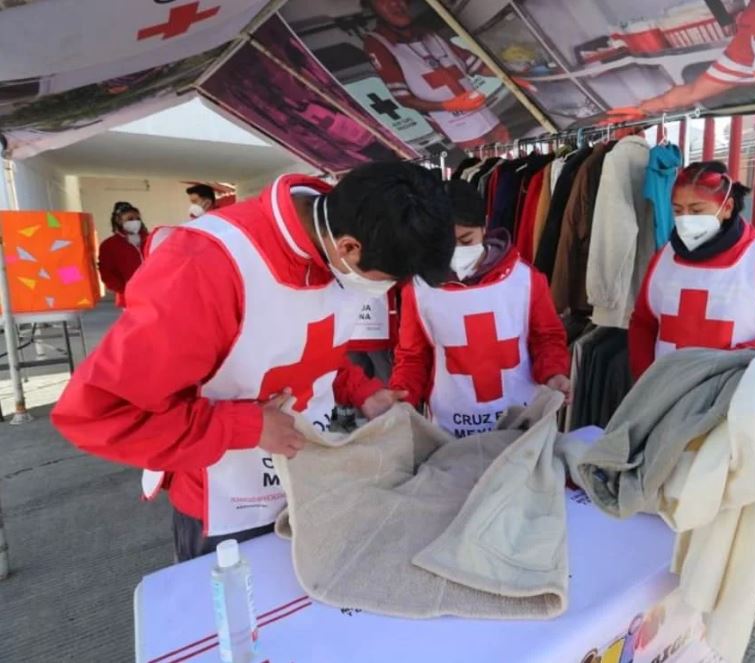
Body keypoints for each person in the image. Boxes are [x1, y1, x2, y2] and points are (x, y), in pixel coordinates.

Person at [53, 164, 455, 561]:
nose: (388, 290)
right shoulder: (203, 266)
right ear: (348, 247)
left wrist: (363, 392)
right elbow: (98, 415)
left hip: (317, 482)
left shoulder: (338, 253)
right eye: (391, 280)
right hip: (229, 511)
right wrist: (247, 426)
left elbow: (308, 350)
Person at [389, 181, 571, 438]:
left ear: (484, 226)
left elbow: (547, 337)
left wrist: (554, 374)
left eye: (465, 240)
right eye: (443, 244)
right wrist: (402, 395)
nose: (455, 252)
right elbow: (412, 357)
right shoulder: (418, 289)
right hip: (450, 429)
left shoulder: (525, 279)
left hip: (520, 423)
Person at [628, 161, 755, 379]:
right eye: (678, 211)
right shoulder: (664, 256)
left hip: (732, 394)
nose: (685, 219)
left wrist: (732, 362)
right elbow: (643, 322)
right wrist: (645, 381)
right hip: (665, 394)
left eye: (697, 210)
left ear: (726, 208)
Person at [363, 0, 511, 150]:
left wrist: (512, 75)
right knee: (490, 162)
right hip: (455, 126)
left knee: (512, 150)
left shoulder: (427, 32)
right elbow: (404, 99)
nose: (395, 3)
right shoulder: (377, 43)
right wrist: (448, 106)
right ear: (372, 8)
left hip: (484, 114)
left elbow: (475, 65)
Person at [97, 201, 148, 308]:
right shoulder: (109, 245)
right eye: (130, 219)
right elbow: (107, 273)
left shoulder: (150, 239)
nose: (135, 222)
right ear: (118, 220)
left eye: (137, 219)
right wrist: (125, 289)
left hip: (155, 294)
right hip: (129, 297)